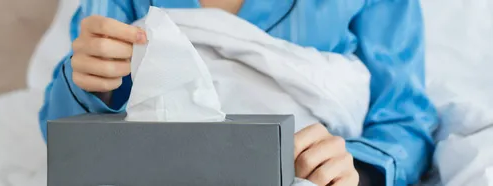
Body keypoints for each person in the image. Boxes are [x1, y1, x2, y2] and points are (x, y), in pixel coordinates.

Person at [39, 0, 439, 185]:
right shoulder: (117, 4)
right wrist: (87, 81)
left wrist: (357, 169)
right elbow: (66, 139)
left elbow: (406, 121)